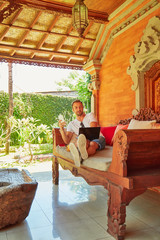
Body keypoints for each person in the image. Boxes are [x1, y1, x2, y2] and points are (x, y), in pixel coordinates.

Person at [58, 99, 106, 167]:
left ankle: (79, 156)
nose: (78, 109)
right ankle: (80, 152)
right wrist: (62, 129)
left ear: (83, 107)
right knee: (83, 143)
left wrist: (84, 141)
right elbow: (67, 141)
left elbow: (92, 130)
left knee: (91, 143)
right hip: (84, 141)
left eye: (80, 107)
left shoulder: (90, 115)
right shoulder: (71, 124)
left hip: (98, 138)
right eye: (76, 107)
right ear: (73, 110)